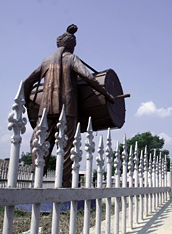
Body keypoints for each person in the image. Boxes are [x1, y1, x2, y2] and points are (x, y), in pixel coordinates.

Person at [24, 24, 115, 187]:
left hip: (45, 108)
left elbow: (27, 82)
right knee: (67, 144)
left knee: (39, 140)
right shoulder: (71, 58)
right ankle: (64, 182)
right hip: (68, 107)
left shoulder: (46, 61)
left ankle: (37, 176)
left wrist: (26, 101)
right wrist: (107, 94)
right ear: (71, 46)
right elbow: (89, 77)